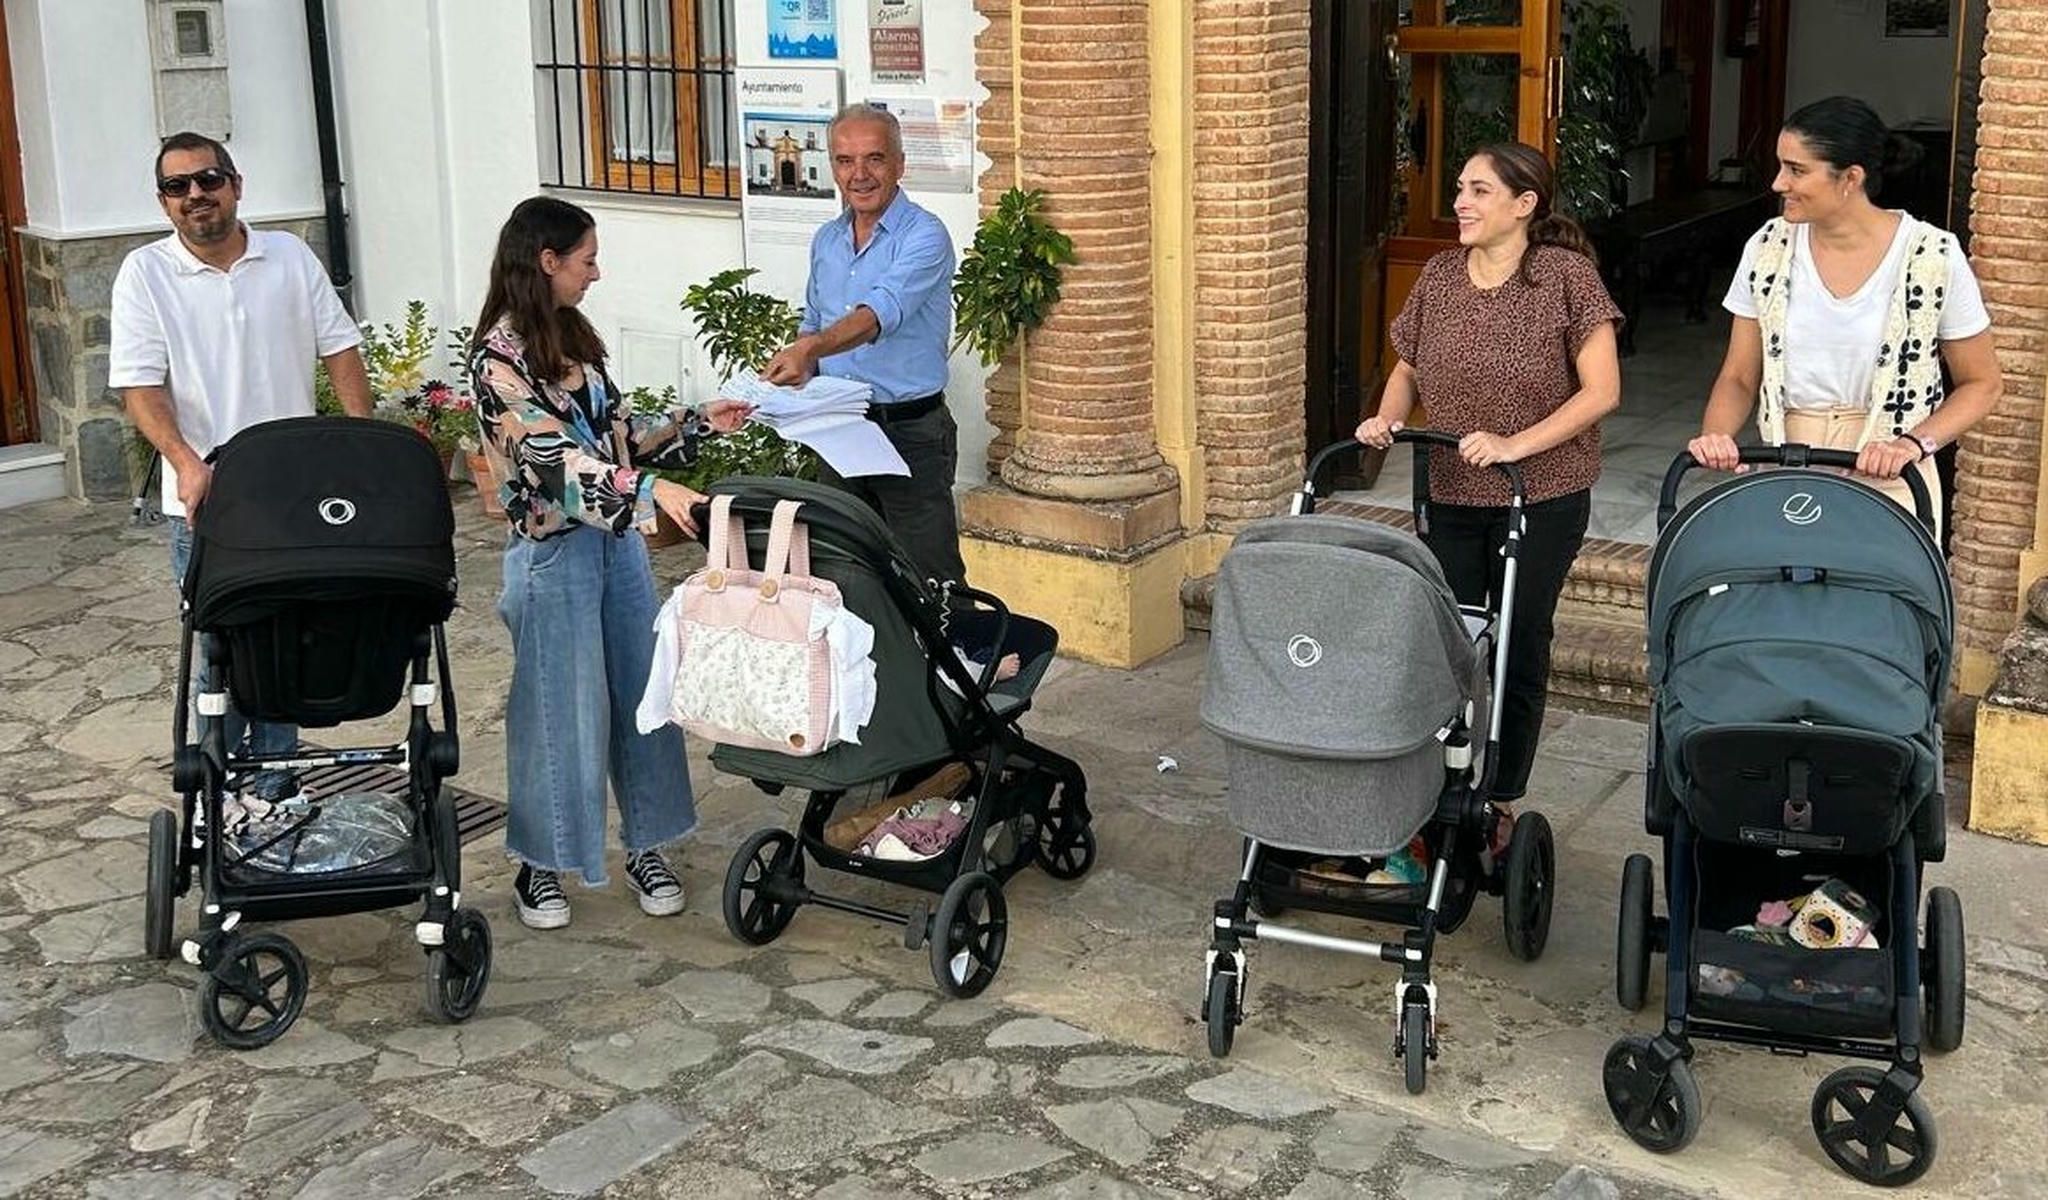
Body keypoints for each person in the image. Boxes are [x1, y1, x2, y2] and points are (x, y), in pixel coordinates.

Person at [469, 196, 750, 930]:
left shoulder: (576, 343)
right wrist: (655, 490)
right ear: (548, 261)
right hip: (552, 556)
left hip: (616, 548)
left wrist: (695, 425)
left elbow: (616, 443)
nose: (598, 271)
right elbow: (555, 465)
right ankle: (541, 862)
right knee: (559, 712)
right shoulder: (496, 363)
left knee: (641, 698)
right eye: (587, 258)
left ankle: (649, 845)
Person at [1355, 142, 1622, 882]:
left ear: (1524, 203)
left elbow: (1601, 392)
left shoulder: (1566, 279)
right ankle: (1437, 790)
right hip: (1450, 489)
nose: (1462, 203)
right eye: (1461, 189)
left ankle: (1500, 796)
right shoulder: (1441, 276)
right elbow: (1406, 366)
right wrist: (1385, 419)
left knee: (1516, 640)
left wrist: (1515, 444)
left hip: (1543, 495)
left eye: (1478, 190)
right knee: (1449, 643)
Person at [112, 130, 375, 803]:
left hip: (293, 499)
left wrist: (360, 446)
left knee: (287, 645)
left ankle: (276, 793)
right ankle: (216, 801)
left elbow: (341, 349)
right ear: (165, 202)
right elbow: (140, 386)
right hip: (206, 504)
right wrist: (185, 462)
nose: (196, 195)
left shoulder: (287, 255)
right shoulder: (145, 273)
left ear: (235, 184)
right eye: (179, 187)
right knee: (221, 657)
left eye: (208, 179)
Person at [1689, 96, 2000, 542]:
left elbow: (1982, 383)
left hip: (1891, 474)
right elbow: (1739, 376)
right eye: (1780, 166)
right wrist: (1715, 436)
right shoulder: (1768, 249)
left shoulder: (1931, 257)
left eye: (1796, 170)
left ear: (1851, 178)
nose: (1779, 183)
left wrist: (1912, 444)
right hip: (1786, 464)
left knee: (1880, 606)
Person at [759, 102, 964, 584]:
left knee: (930, 579)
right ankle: (876, 662)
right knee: (847, 571)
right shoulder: (827, 240)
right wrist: (788, 375)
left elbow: (877, 316)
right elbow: (814, 321)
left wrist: (810, 350)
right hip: (839, 428)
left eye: (874, 158)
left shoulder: (925, 235)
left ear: (899, 164)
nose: (860, 174)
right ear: (832, 167)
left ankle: (966, 659)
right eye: (845, 161)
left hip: (909, 433)